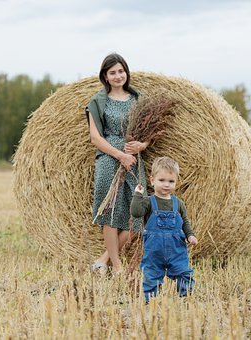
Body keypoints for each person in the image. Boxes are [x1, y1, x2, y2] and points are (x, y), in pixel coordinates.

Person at [85, 53, 149, 274]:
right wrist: (120, 155)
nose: (118, 75)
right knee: (110, 211)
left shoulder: (138, 99)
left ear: (126, 72)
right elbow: (95, 138)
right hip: (108, 158)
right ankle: (118, 266)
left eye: (121, 71)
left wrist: (141, 146)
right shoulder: (97, 102)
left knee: (140, 211)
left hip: (133, 158)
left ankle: (103, 260)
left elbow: (149, 133)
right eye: (112, 72)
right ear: (105, 76)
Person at [130, 156, 198, 301]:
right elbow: (136, 213)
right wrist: (137, 195)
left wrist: (190, 235)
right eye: (162, 180)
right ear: (152, 180)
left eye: (171, 181)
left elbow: (185, 221)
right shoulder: (148, 202)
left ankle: (185, 298)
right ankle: (150, 301)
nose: (166, 185)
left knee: (184, 272)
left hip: (176, 249)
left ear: (176, 182)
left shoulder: (178, 203)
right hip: (154, 250)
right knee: (151, 275)